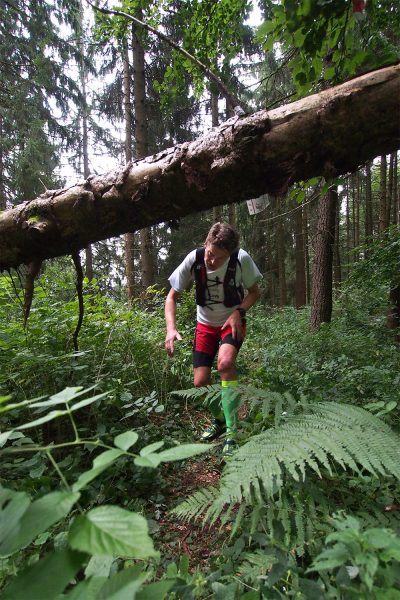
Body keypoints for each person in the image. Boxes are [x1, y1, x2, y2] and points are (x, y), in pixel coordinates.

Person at [165, 222, 262, 456]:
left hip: (231, 321)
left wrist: (239, 312)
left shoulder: (242, 259)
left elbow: (255, 292)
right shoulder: (194, 258)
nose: (211, 261)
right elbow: (171, 297)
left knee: (225, 364)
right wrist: (171, 328)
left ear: (229, 254)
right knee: (200, 383)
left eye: (219, 258)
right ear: (205, 244)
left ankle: (232, 431)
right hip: (205, 325)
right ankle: (220, 419)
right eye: (210, 253)